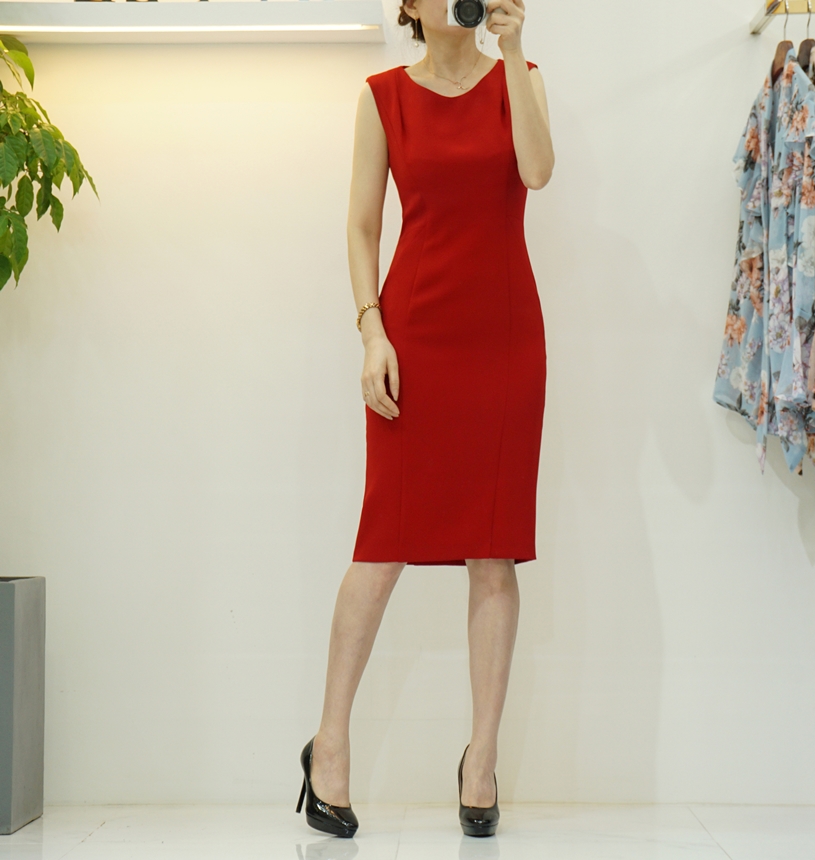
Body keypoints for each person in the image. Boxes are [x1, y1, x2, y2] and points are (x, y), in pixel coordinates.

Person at [295, 0, 554, 839]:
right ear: (406, 5)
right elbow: (362, 224)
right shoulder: (383, 97)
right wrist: (371, 331)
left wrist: (514, 50)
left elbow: (538, 172)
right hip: (414, 335)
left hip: (505, 339)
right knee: (382, 546)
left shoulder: (521, 77)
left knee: (494, 549)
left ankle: (482, 760)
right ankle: (329, 748)